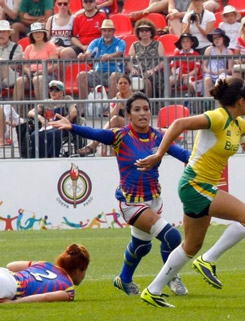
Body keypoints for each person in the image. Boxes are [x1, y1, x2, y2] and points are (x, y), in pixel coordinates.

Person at [135, 77, 245, 308]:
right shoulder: (218, 117)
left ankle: (152, 290)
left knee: (190, 246)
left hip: (201, 186)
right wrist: (159, 154)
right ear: (240, 100)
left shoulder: (239, 125)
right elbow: (179, 123)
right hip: (195, 183)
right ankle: (208, 260)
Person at [49, 92, 191, 297]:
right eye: (137, 109)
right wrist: (72, 126)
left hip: (153, 200)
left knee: (141, 246)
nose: (142, 113)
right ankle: (170, 277)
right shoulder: (120, 136)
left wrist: (201, 157)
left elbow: (182, 154)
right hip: (131, 203)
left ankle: (123, 280)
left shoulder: (159, 137)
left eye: (146, 109)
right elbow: (96, 133)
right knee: (172, 236)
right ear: (129, 114)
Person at [0, 244, 90, 304]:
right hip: (10, 286)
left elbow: (10, 266)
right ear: (78, 271)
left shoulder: (44, 264)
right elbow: (46, 297)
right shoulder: (68, 289)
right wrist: (13, 303)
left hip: (6, 274)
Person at [77, 74, 133, 156]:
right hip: (120, 127)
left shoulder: (134, 98)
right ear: (117, 86)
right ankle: (110, 158)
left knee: (115, 119)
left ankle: (94, 144)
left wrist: (122, 101)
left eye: (125, 83)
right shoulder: (115, 99)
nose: (123, 85)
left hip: (133, 125)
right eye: (120, 83)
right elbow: (110, 115)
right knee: (111, 130)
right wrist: (118, 103)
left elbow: (131, 115)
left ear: (129, 85)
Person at [77, 19, 125, 100]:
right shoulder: (95, 42)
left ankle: (111, 107)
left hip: (114, 72)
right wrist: (83, 55)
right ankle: (83, 107)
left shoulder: (120, 42)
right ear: (101, 32)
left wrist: (109, 56)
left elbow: (119, 53)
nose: (106, 33)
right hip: (97, 73)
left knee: (114, 76)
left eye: (109, 31)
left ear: (113, 32)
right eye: (104, 31)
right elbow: (89, 53)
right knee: (81, 75)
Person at [14, 22, 58, 104]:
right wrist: (28, 71)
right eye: (35, 33)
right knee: (19, 80)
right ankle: (14, 111)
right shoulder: (28, 48)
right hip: (31, 74)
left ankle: (42, 108)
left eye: (40, 32)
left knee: (37, 79)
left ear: (44, 33)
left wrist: (42, 71)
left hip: (47, 75)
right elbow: (25, 66)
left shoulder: (50, 46)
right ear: (32, 35)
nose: (38, 34)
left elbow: (55, 65)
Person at [127, 19, 165, 98]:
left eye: (147, 30)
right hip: (138, 73)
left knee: (147, 80)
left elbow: (163, 62)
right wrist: (133, 69)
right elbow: (129, 61)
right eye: (141, 31)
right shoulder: (134, 45)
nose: (144, 32)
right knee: (130, 80)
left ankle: (148, 104)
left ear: (151, 32)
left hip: (154, 74)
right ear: (138, 33)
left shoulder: (158, 44)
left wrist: (153, 70)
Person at [202, 29, 233, 97]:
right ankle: (208, 104)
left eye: (218, 37)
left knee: (222, 79)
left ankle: (220, 102)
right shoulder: (209, 49)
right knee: (207, 79)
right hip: (210, 73)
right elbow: (203, 66)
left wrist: (222, 70)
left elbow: (230, 69)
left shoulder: (229, 52)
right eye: (214, 38)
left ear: (223, 38)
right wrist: (209, 71)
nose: (216, 40)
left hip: (222, 73)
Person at [0, 20, 23, 92]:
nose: (1, 35)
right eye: (0, 32)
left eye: (4, 32)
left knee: (2, 62)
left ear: (9, 33)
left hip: (12, 76)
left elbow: (14, 64)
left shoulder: (17, 47)